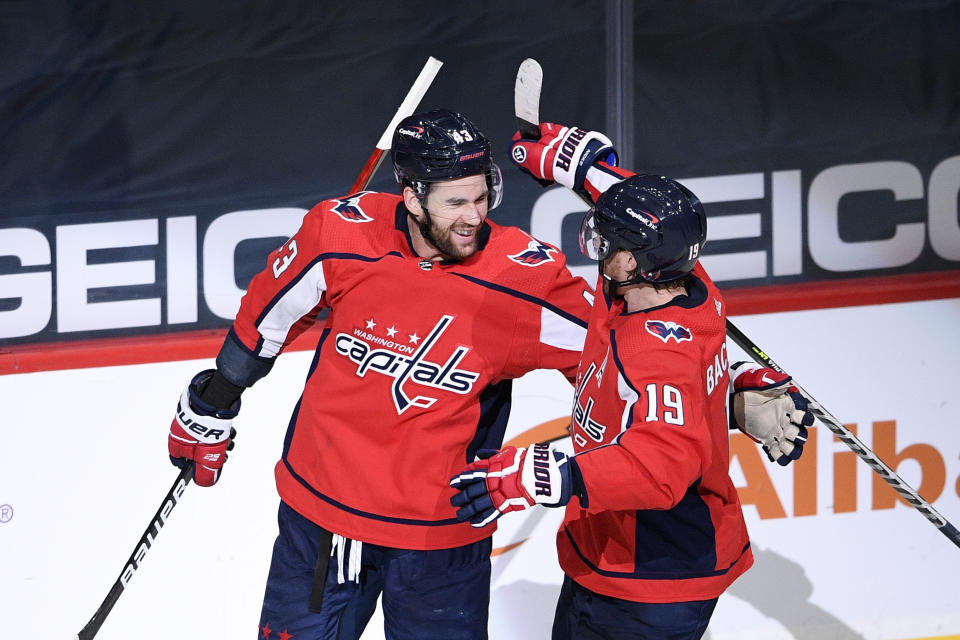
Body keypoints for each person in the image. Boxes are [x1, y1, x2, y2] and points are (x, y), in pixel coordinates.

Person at [166, 108, 606, 640]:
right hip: (323, 521)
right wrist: (213, 401)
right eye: (455, 202)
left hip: (440, 537)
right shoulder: (340, 232)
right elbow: (268, 316)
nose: (474, 216)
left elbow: (621, 357)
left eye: (482, 196)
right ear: (412, 196)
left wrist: (720, 384)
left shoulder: (525, 278)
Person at [450, 122, 812, 639]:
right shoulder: (670, 284)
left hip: (653, 577)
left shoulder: (660, 354)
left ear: (639, 260)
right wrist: (581, 164)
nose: (597, 247)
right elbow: (647, 211)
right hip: (611, 553)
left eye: (608, 240)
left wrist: (546, 476)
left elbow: (661, 467)